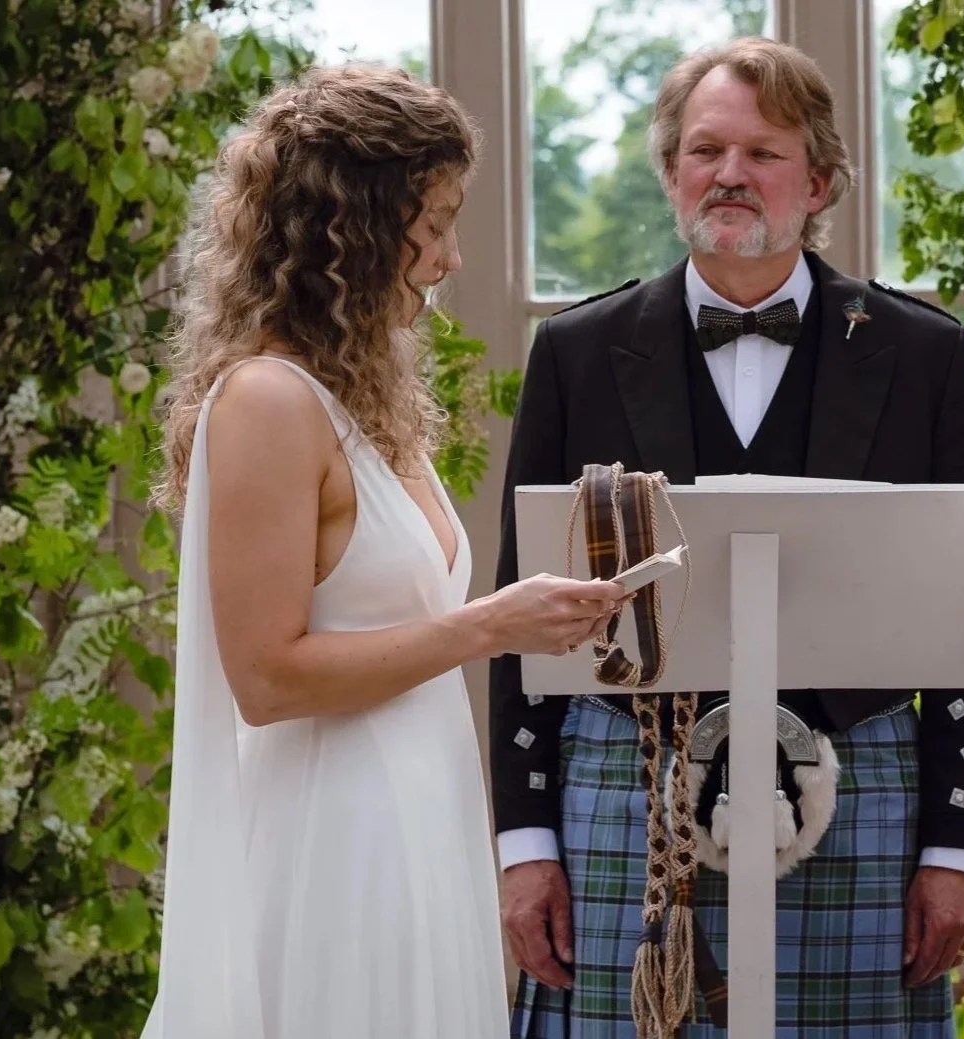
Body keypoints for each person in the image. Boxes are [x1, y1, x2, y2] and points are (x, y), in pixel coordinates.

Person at [491, 37, 964, 1039]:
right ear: (671, 172)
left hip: (860, 784)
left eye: (762, 154)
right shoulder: (577, 352)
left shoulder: (921, 351)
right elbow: (525, 615)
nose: (727, 174)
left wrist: (955, 847)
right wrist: (524, 838)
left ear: (817, 182)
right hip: (620, 782)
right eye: (702, 150)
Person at [143, 64, 624, 1039]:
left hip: (421, 825)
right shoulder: (269, 401)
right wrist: (490, 624)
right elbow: (266, 675)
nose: (448, 259)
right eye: (434, 222)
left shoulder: (363, 396)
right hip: (333, 849)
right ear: (352, 229)